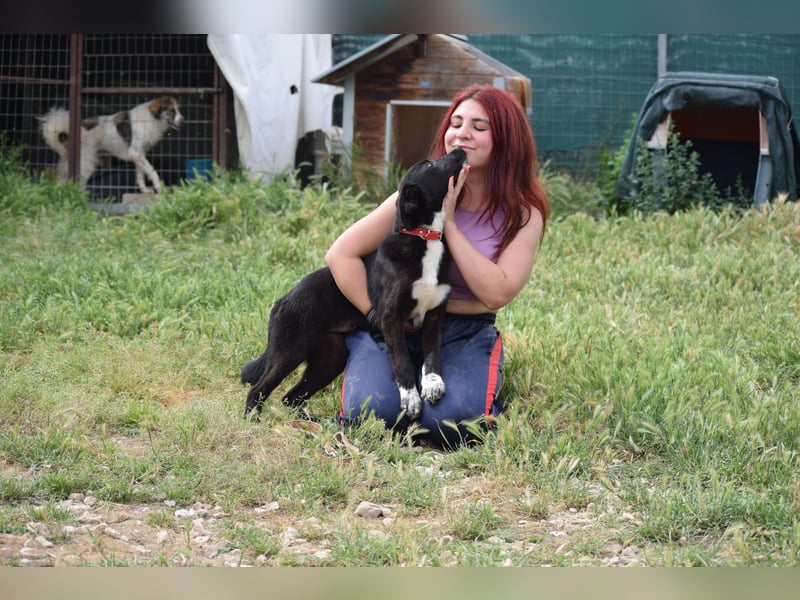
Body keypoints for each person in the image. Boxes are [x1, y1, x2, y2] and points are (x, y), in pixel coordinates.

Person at [325, 83, 549, 447]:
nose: (462, 133)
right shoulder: (415, 194)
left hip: (462, 331)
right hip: (395, 327)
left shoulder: (523, 213)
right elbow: (340, 255)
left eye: (480, 126)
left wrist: (451, 224)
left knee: (451, 425)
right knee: (370, 416)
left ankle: (475, 389)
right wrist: (383, 317)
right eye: (456, 122)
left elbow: (496, 293)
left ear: (506, 140)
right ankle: (376, 363)